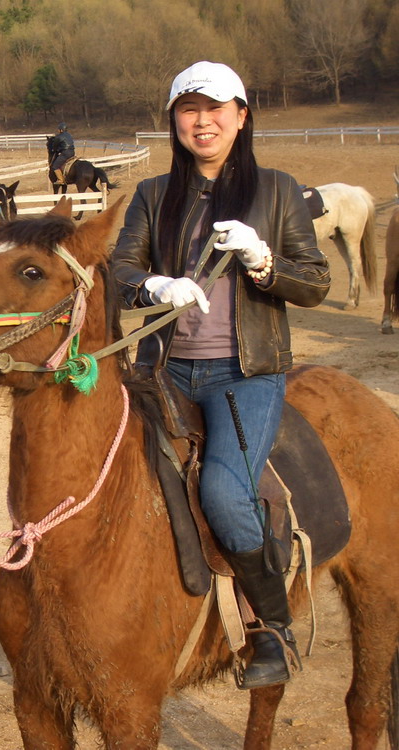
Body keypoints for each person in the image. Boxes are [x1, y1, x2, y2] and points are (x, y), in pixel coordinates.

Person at [111, 61, 330, 690]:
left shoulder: (279, 189)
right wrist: (153, 282)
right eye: (188, 110)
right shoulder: (155, 195)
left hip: (246, 374)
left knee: (226, 496)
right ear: (174, 120)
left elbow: (314, 282)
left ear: (241, 115)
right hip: (165, 372)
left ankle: (272, 626)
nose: (201, 122)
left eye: (215, 110)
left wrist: (265, 262)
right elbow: (118, 268)